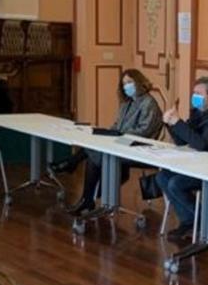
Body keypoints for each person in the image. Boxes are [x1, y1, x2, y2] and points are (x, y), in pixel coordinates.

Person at [49, 68, 163, 217]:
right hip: (121, 142)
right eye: (124, 84)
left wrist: (119, 135)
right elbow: (117, 125)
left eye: (129, 82)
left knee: (94, 154)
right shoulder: (126, 103)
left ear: (139, 82)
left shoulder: (149, 103)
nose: (126, 86)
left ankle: (81, 185)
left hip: (138, 147)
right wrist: (110, 133)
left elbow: (144, 131)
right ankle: (87, 197)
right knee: (94, 147)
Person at [157, 76, 208, 243]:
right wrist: (171, 124)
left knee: (176, 183)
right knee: (162, 177)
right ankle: (190, 221)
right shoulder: (198, 112)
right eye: (194, 93)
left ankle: (202, 221)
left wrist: (178, 122)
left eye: (198, 93)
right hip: (200, 164)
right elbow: (183, 141)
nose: (194, 96)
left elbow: (200, 144)